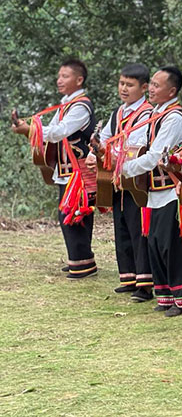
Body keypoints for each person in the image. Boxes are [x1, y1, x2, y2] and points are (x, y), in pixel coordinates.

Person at [121, 66, 182, 316]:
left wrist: (125, 168)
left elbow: (157, 155)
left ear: (172, 90)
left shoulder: (174, 117)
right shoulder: (156, 114)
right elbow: (139, 145)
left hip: (171, 189)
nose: (152, 89)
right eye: (152, 84)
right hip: (155, 190)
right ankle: (166, 294)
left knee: (173, 244)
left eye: (157, 85)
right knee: (155, 241)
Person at [11, 58, 98, 279]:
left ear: (79, 80)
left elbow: (60, 132)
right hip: (66, 169)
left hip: (78, 171)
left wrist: (30, 129)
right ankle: (79, 260)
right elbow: (53, 130)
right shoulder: (67, 105)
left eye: (65, 76)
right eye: (59, 76)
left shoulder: (80, 106)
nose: (59, 80)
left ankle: (83, 264)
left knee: (75, 214)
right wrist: (32, 128)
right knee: (67, 214)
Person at [89, 63, 153, 300]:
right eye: (121, 83)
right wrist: (92, 154)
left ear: (143, 87)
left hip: (136, 178)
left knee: (138, 229)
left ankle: (145, 283)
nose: (124, 89)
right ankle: (129, 276)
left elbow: (135, 145)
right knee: (122, 227)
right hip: (117, 177)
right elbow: (105, 137)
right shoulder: (118, 112)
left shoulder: (147, 113)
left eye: (130, 85)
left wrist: (109, 153)